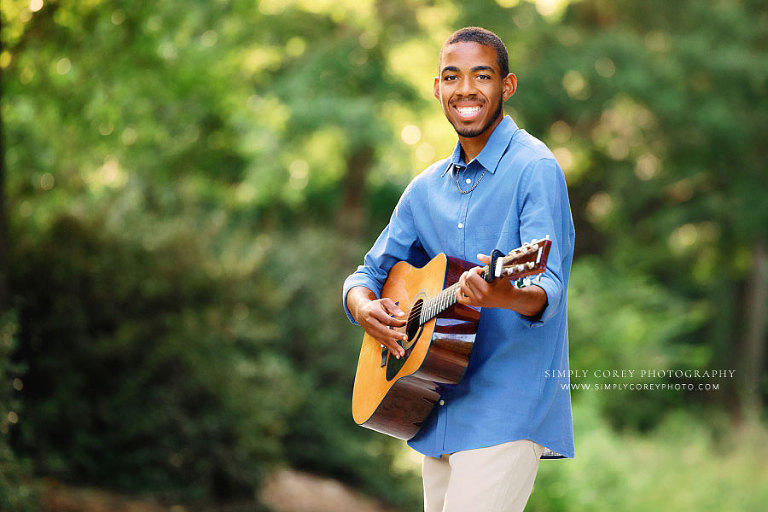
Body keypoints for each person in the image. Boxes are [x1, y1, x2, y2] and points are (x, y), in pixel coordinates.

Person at [342, 26, 575, 512]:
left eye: (481, 76)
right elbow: (365, 275)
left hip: (507, 405)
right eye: (452, 77)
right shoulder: (424, 189)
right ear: (437, 88)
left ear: (506, 87)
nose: (465, 89)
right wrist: (364, 309)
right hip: (435, 402)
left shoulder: (535, 168)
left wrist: (503, 295)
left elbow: (546, 287)